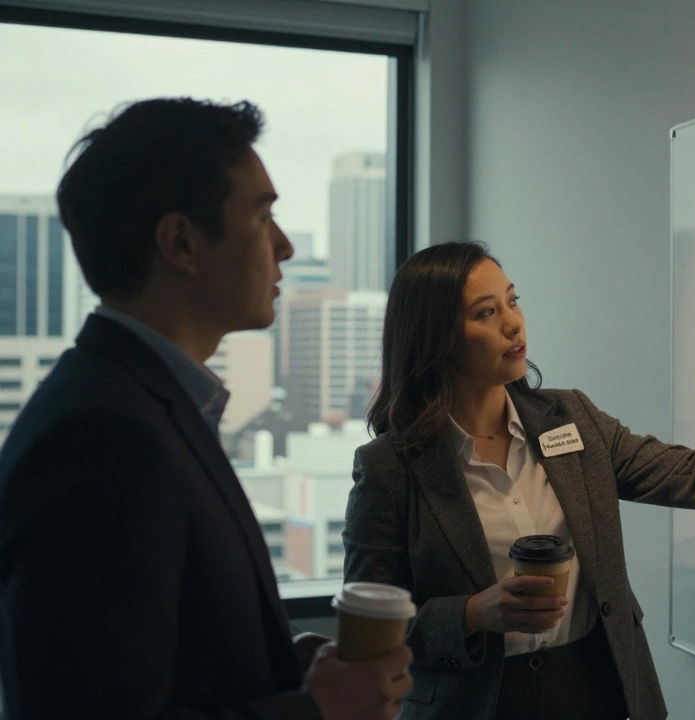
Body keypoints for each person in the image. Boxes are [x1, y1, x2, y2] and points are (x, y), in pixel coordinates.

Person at [0, 98, 412, 720]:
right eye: (262, 216)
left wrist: (278, 668)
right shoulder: (104, 436)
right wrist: (314, 711)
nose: (285, 247)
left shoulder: (144, 401)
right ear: (183, 243)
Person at [343, 240, 695, 720]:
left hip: (597, 689)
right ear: (435, 338)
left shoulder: (573, 420)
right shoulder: (390, 469)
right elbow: (370, 640)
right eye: (486, 313)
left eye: (513, 300)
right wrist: (472, 615)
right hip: (476, 702)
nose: (513, 324)